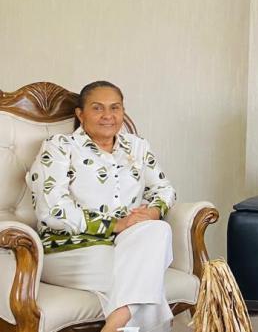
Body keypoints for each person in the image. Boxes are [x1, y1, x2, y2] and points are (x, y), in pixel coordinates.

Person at [26, 81, 177, 332]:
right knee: (146, 275)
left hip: (124, 245)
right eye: (97, 108)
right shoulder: (59, 147)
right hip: (67, 249)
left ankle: (116, 322)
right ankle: (120, 320)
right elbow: (52, 210)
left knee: (159, 230)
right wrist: (116, 224)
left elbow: (164, 189)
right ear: (80, 114)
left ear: (123, 111)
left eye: (115, 108)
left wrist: (152, 212)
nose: (108, 116)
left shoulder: (137, 146)